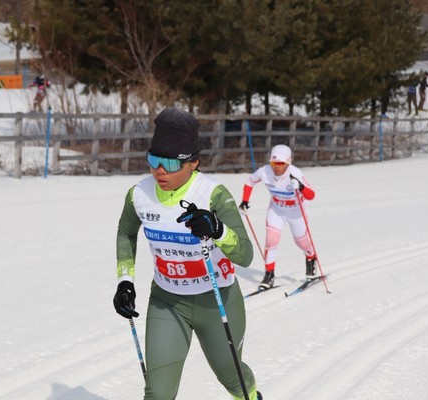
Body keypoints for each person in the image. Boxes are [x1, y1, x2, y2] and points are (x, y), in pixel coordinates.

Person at [113, 107, 261, 400]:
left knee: (233, 380)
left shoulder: (213, 195)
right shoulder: (138, 195)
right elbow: (126, 234)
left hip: (216, 299)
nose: (159, 171)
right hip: (168, 301)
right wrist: (124, 281)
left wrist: (217, 229)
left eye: (168, 163)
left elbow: (245, 255)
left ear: (193, 163)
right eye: (153, 160)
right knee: (158, 394)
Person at [238, 144, 317, 290]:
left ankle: (311, 258)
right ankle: (269, 275)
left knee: (302, 242)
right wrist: (245, 201)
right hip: (277, 209)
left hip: (295, 211)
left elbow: (311, 195)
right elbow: (249, 182)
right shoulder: (264, 172)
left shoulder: (295, 173)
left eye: (281, 163)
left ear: (288, 162)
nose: (277, 167)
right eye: (274, 163)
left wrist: (300, 187)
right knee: (271, 241)